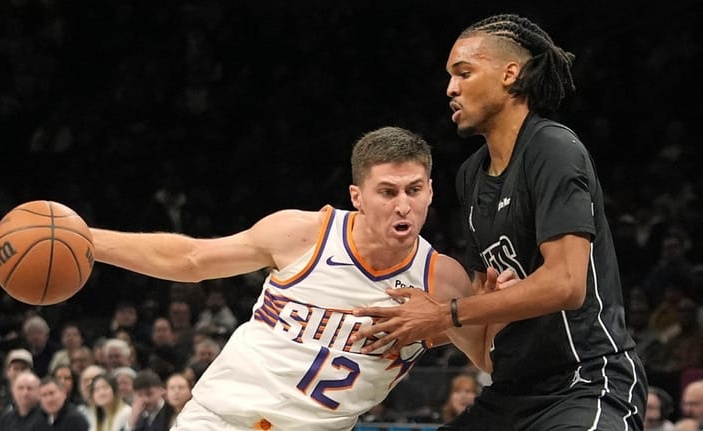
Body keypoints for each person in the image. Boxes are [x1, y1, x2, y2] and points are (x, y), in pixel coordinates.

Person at [87, 126, 503, 430]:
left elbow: (487, 357)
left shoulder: (442, 281)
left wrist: (491, 305)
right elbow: (192, 259)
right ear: (357, 196)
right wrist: (87, 240)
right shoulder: (302, 234)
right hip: (220, 420)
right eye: (388, 192)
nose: (403, 206)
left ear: (431, 191)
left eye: (414, 190)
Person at [351, 14, 648, 430]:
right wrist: (409, 330)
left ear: (511, 74)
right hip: (510, 388)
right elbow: (482, 333)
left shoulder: (553, 148)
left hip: (585, 380)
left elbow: (566, 283)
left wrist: (444, 313)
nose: (450, 88)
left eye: (464, 73)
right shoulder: (471, 175)